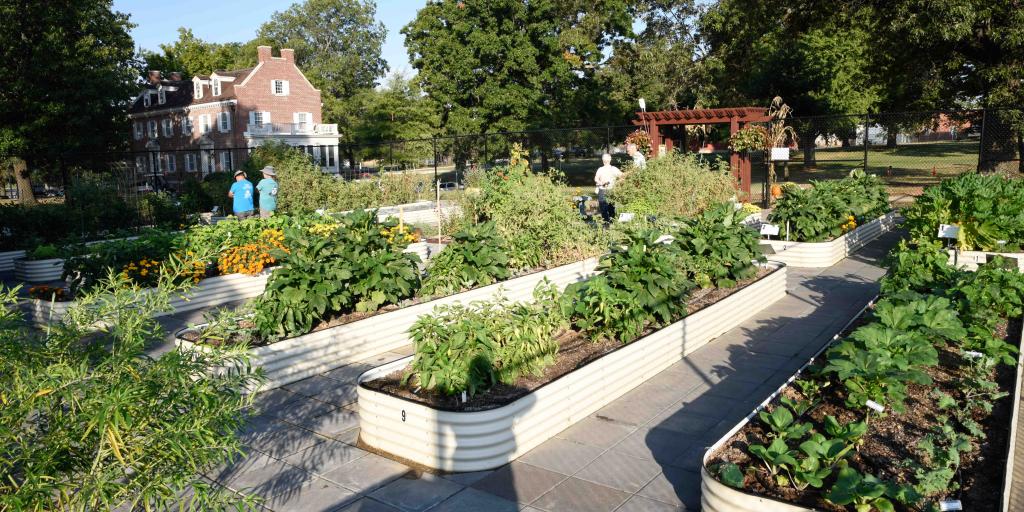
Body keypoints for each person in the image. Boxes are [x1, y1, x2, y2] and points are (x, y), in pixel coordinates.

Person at [594, 153, 623, 225]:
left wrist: (616, 183)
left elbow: (622, 176)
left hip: (609, 190)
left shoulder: (613, 169)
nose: (605, 161)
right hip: (603, 190)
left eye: (606, 159)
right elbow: (596, 179)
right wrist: (601, 183)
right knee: (606, 208)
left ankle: (609, 223)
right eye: (604, 159)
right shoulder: (601, 169)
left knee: (610, 208)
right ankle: (608, 223)